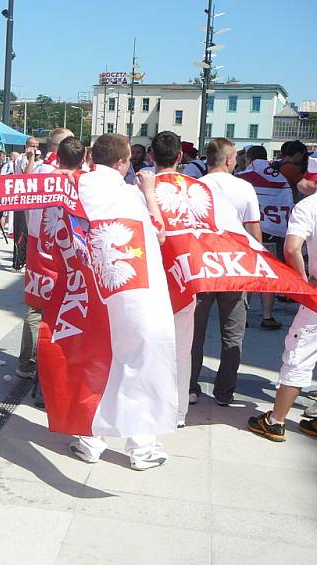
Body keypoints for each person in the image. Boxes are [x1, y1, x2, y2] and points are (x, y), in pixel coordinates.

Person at [68, 133, 172, 470]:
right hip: (132, 289)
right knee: (138, 361)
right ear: (123, 162)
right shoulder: (131, 194)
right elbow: (159, 232)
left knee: (100, 358)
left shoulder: (75, 188)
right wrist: (150, 193)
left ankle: (90, 438)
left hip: (90, 290)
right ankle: (140, 448)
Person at [247, 161, 317, 441]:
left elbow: (291, 248)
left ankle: (276, 420)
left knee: (299, 352)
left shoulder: (309, 206)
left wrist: (301, 282)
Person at [190, 138, 261, 406]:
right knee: (233, 335)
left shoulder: (195, 186)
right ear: (230, 160)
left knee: (193, 333)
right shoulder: (244, 188)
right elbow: (254, 232)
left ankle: (189, 387)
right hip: (235, 267)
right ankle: (225, 391)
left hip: (202, 266)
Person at [150, 131, 199, 427]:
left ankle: (152, 403)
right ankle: (178, 412)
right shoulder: (196, 189)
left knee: (149, 345)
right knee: (182, 349)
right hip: (185, 275)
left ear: (152, 156)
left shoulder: (141, 188)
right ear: (180, 157)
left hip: (153, 278)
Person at [16, 128, 74, 379]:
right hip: (50, 244)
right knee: (42, 306)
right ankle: (35, 361)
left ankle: (30, 359)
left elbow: (27, 204)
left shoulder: (39, 170)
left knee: (37, 303)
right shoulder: (56, 174)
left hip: (38, 240)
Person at [236, 145, 292, 330]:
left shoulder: (243, 178)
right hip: (275, 232)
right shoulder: (280, 178)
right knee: (267, 273)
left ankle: (242, 315)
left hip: (251, 230)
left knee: (248, 272)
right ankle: (267, 316)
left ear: (249, 159)